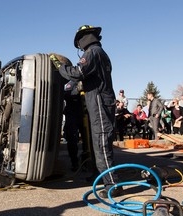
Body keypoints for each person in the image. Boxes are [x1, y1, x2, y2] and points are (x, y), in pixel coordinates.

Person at [50, 25, 123, 198]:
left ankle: (113, 184)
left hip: (100, 105)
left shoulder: (92, 53)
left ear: (84, 39)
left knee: (101, 145)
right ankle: (100, 176)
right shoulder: (99, 53)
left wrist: (60, 67)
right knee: (96, 143)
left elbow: (77, 73)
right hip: (98, 104)